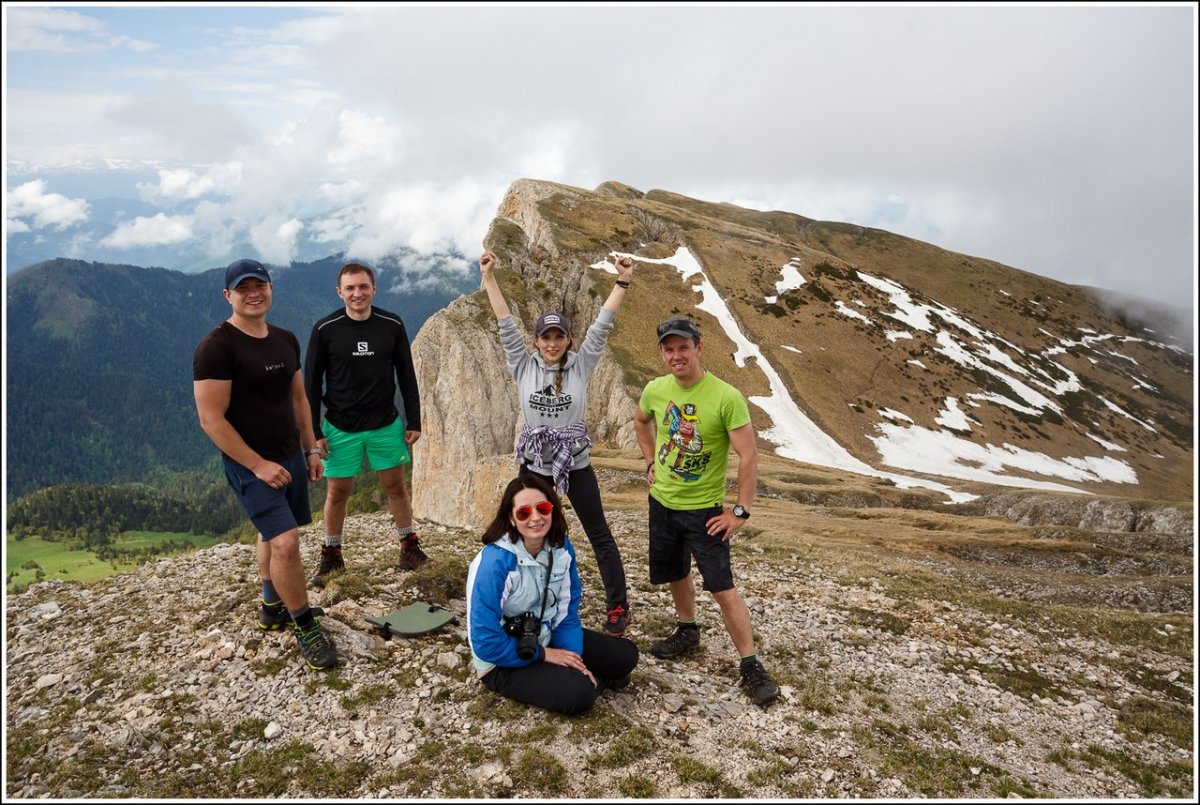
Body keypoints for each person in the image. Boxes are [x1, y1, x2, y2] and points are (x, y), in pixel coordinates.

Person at [193, 258, 338, 671]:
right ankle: (305, 625)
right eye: (243, 288)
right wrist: (257, 465)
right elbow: (211, 419)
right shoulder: (216, 348)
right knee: (287, 542)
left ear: (271, 288)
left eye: (260, 285)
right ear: (228, 296)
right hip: (250, 463)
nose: (253, 294)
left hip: (290, 453)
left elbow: (298, 398)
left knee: (272, 532)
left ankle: (272, 604)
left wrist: (310, 449)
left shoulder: (285, 339)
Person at [479, 249, 633, 635]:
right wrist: (490, 278)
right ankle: (518, 597)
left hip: (575, 462)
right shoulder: (523, 363)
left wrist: (623, 281)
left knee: (598, 533)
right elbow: (503, 322)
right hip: (534, 468)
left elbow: (602, 325)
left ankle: (617, 606)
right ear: (535, 341)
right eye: (545, 337)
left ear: (568, 339)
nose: (552, 343)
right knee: (526, 531)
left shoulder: (581, 363)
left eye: (558, 336)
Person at [633, 315, 780, 705]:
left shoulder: (726, 396)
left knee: (722, 587)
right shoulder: (655, 390)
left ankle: (750, 664)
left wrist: (740, 512)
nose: (676, 355)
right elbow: (641, 420)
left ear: (699, 348)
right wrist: (649, 461)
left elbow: (749, 456)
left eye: (684, 347)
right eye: (669, 349)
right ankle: (687, 630)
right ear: (662, 354)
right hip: (662, 501)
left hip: (705, 512)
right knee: (675, 571)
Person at [465, 473, 639, 714]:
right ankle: (578, 681)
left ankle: (577, 677)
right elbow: (485, 641)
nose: (536, 518)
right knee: (580, 694)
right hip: (501, 658)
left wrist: (573, 661)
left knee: (626, 656)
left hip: (543, 634)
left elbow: (566, 614)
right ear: (511, 519)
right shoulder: (494, 563)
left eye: (543, 508)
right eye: (524, 512)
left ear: (553, 510)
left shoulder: (561, 548)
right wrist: (545, 654)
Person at [304, 262, 427, 587]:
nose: (357, 293)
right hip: (339, 427)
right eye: (350, 288)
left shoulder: (391, 324)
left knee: (396, 486)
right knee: (338, 492)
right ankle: (331, 556)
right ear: (339, 292)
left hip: (384, 423)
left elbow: (406, 375)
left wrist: (414, 419)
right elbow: (311, 385)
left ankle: (409, 548)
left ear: (373, 288)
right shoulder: (325, 329)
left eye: (363, 287)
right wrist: (314, 433)